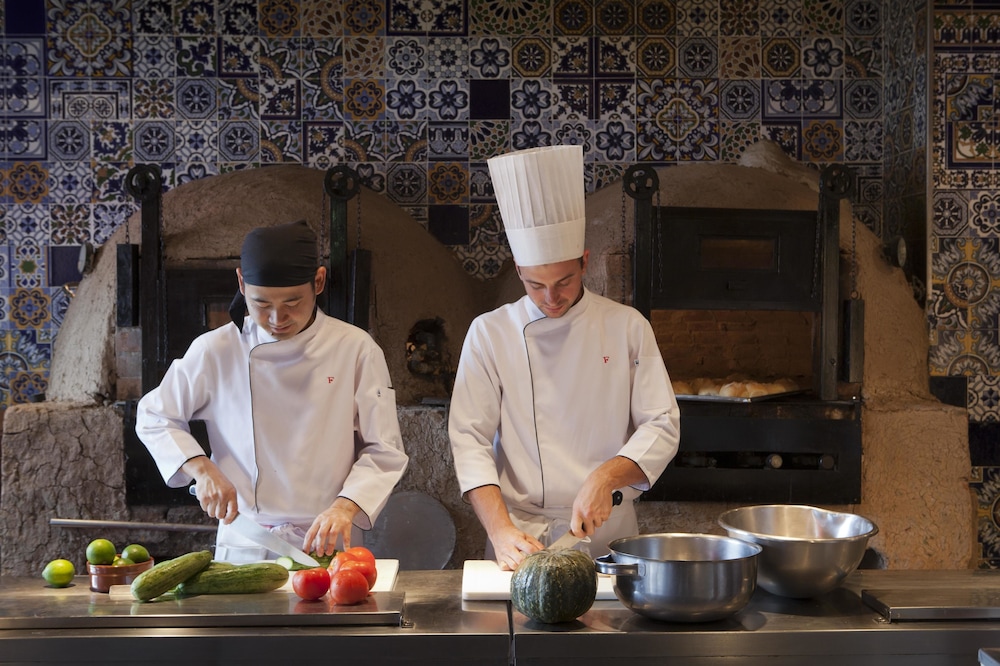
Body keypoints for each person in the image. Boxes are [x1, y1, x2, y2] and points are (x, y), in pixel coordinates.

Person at [448, 145, 681, 570]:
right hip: (519, 536)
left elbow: (662, 424)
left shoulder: (627, 327)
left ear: (585, 262)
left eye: (564, 281)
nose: (551, 297)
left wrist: (605, 477)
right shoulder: (489, 332)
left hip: (606, 534)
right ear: (518, 270)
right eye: (536, 285)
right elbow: (469, 439)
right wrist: (499, 530)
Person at [136, 219, 408, 562]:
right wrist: (201, 468)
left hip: (325, 535)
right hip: (245, 536)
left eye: (293, 302)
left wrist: (345, 506)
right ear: (241, 283)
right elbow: (154, 416)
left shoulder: (355, 348)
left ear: (319, 282)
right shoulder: (216, 350)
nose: (278, 318)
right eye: (262, 304)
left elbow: (384, 450)